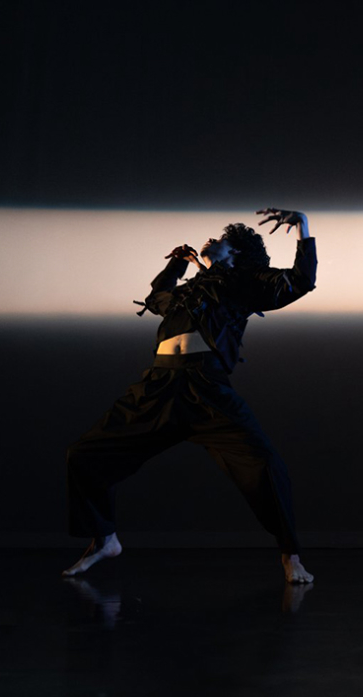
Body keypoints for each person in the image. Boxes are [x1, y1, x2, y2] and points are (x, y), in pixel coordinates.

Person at [62, 207, 318, 583]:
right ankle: (105, 540)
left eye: (223, 239)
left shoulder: (242, 283)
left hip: (206, 390)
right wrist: (179, 265)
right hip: (157, 388)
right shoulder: (187, 294)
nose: (213, 239)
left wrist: (303, 228)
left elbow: (298, 281)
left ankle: (291, 557)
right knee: (83, 456)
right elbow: (157, 298)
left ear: (237, 254)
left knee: (263, 466)